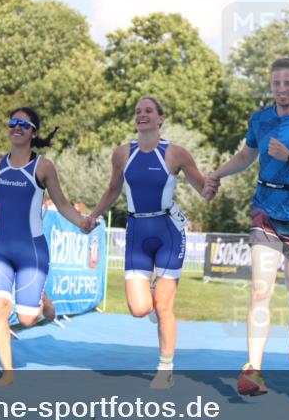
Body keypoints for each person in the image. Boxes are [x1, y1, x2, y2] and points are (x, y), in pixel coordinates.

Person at [207, 58, 289, 396]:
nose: (281, 89)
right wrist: (217, 173)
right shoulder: (260, 119)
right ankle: (254, 369)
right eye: (276, 83)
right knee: (260, 290)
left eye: (288, 83)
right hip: (265, 210)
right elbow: (245, 156)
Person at [83, 96, 215, 389]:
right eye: (138, 111)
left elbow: (203, 189)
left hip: (168, 232)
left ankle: (165, 368)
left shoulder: (176, 153)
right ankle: (153, 293)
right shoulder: (122, 153)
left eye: (149, 111)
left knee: (164, 306)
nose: (142, 115)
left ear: (160, 118)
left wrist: (213, 184)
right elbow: (113, 190)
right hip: (136, 232)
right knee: (140, 308)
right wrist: (93, 216)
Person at [0, 107, 87, 385]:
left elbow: (62, 204)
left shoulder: (43, 167)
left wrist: (82, 222)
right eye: (13, 122)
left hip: (31, 252)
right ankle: (8, 372)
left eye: (24, 125)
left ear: (33, 133)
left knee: (26, 319)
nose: (17, 128)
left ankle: (42, 298)